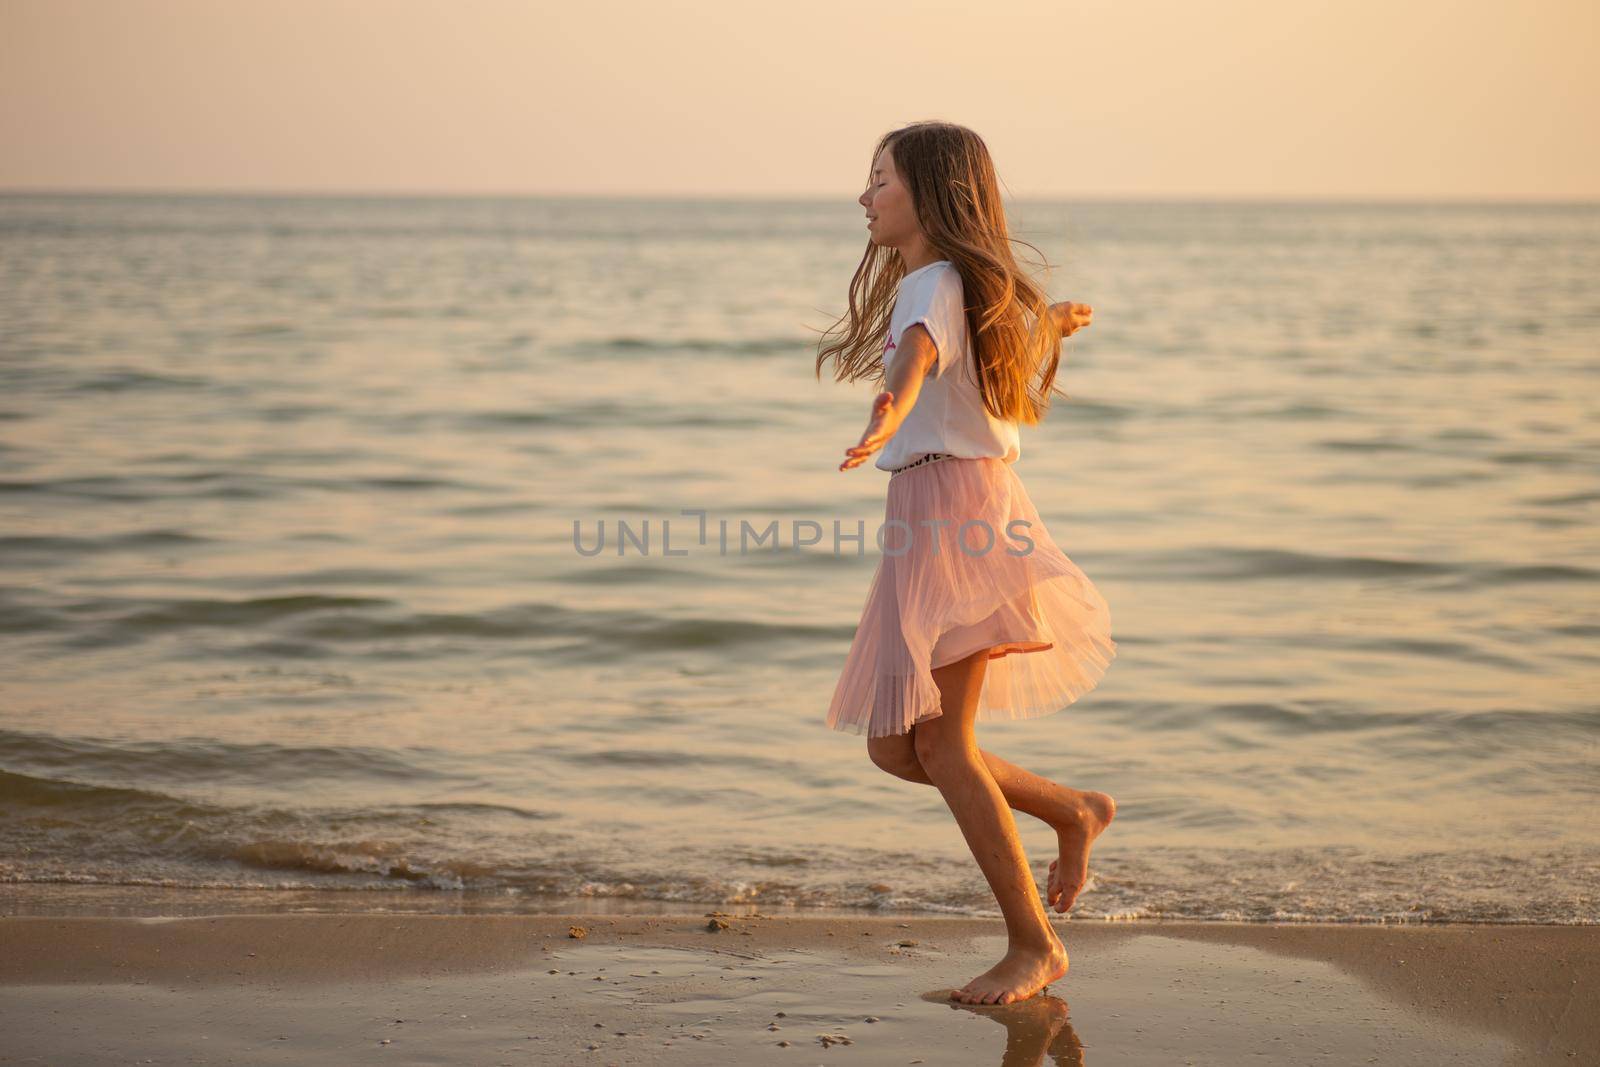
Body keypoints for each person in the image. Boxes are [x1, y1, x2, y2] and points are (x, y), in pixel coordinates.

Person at [815, 121, 1119, 1006]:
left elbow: (917, 363)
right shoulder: (948, 287)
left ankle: (1034, 943)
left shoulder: (929, 285)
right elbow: (977, 364)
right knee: (896, 746)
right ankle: (1071, 808)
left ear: (930, 195)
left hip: (955, 516)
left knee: (943, 745)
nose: (864, 196)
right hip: (930, 511)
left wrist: (885, 404)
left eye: (880, 180)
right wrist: (1046, 324)